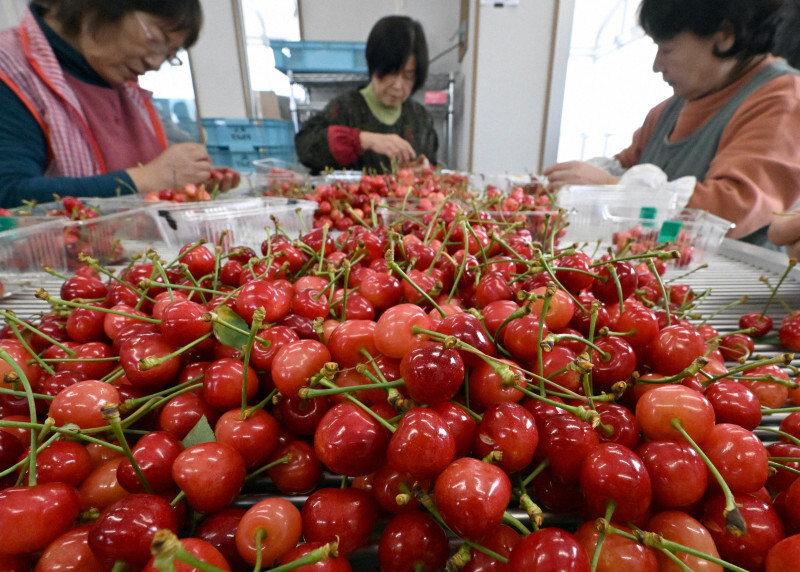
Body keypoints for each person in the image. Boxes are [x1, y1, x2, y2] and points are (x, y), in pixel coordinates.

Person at [543, 0, 800, 248]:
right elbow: (625, 167)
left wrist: (612, 190)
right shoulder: (672, 109)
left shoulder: (784, 100)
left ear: (724, 35)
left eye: (666, 49)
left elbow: (730, 211)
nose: (657, 66)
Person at [0, 0, 235, 209]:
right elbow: (9, 194)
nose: (154, 63)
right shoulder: (10, 70)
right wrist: (145, 179)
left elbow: (161, 174)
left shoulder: (123, 87)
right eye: (157, 40)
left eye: (168, 55)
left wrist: (189, 179)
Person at [294, 15, 439, 175]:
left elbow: (431, 165)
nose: (398, 86)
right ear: (374, 64)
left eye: (408, 76)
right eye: (390, 72)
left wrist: (424, 170)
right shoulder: (345, 108)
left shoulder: (420, 119)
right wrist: (362, 140)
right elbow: (305, 147)